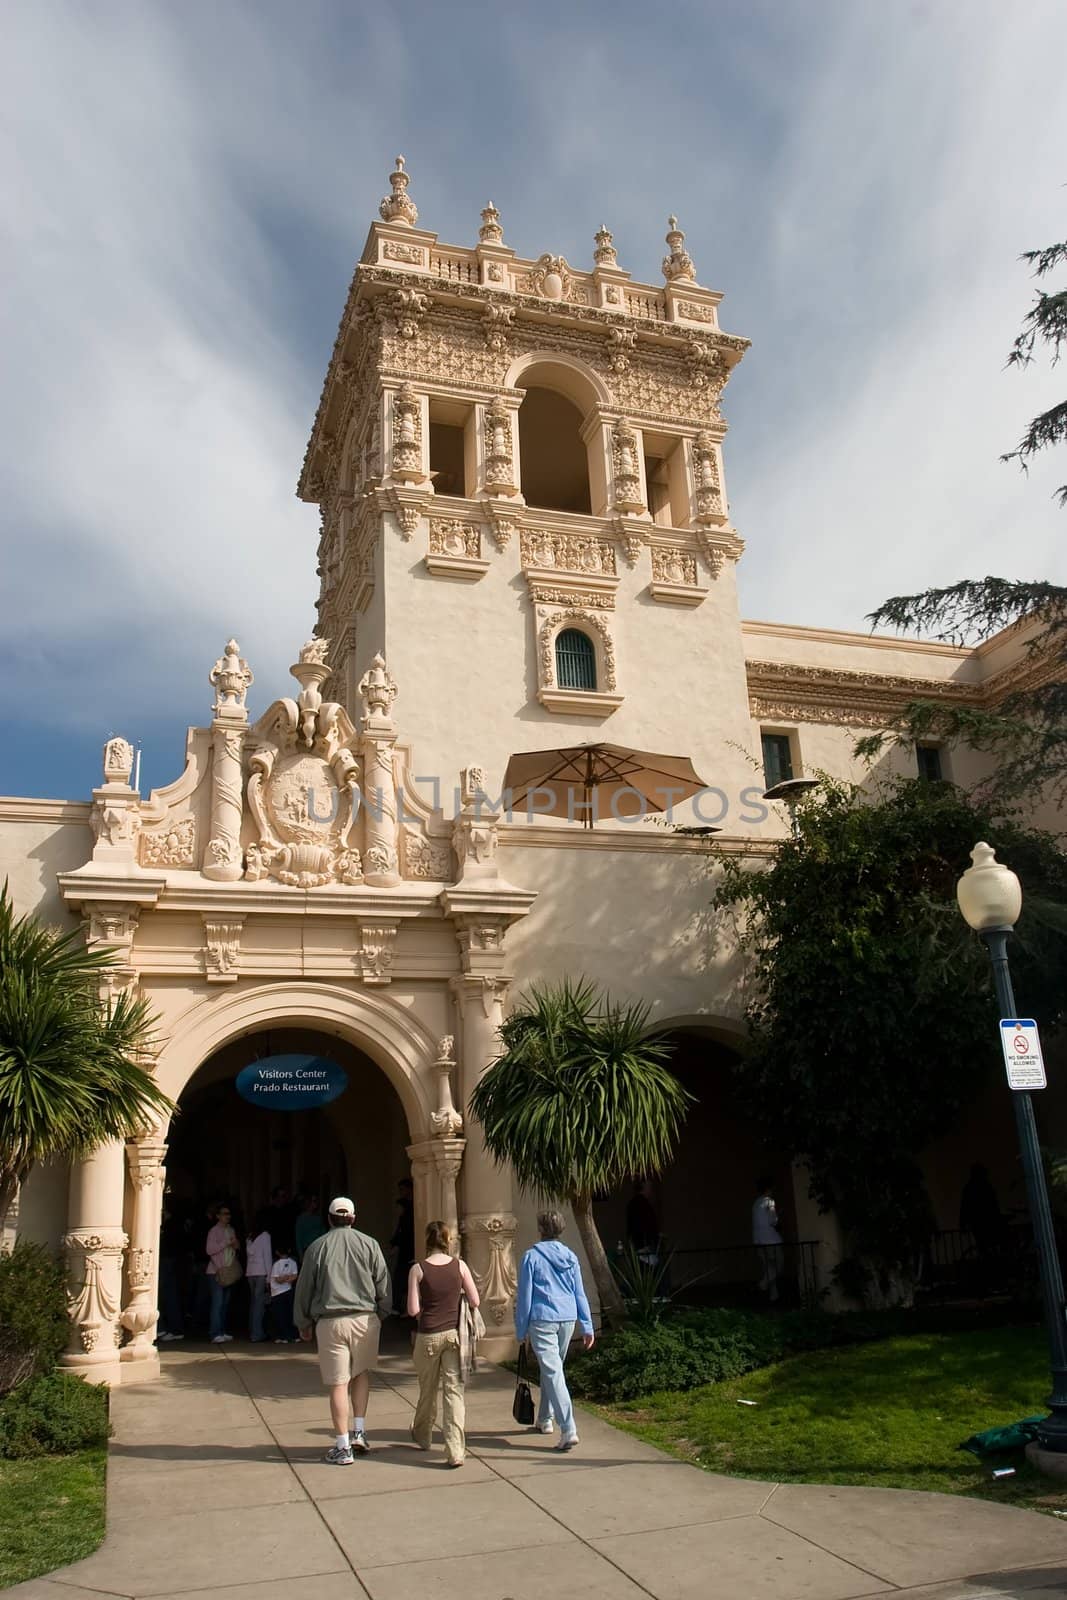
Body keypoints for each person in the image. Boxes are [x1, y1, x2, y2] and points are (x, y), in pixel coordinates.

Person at [294, 1195, 392, 1465]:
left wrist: (302, 1322)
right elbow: (383, 1281)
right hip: (364, 1318)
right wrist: (381, 1312)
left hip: (331, 1321)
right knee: (361, 1374)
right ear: (352, 1218)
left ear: (329, 1219)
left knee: (338, 1383)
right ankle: (359, 1432)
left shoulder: (318, 1247)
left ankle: (342, 1445)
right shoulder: (369, 1244)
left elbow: (305, 1288)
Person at [514, 1210, 594, 1452]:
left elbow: (525, 1297)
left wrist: (520, 1329)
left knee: (553, 1372)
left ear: (541, 1229)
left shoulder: (531, 1257)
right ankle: (545, 1419)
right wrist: (587, 1325)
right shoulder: (570, 1256)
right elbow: (579, 1292)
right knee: (553, 1370)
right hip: (567, 1318)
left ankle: (568, 1428)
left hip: (542, 1319)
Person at [407, 1221, 481, 1469]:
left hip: (428, 1334)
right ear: (448, 1241)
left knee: (427, 1390)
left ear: (427, 1241)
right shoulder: (460, 1266)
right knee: (454, 1392)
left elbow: (413, 1309)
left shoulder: (418, 1269)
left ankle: (423, 1435)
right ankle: (455, 1450)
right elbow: (475, 1299)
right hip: (454, 1335)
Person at [205, 1204, 240, 1343]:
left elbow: (237, 1247)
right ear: (218, 1216)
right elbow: (210, 1250)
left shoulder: (231, 1229)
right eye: (224, 1213)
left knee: (225, 1303)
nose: (227, 1216)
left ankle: (222, 1331)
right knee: (217, 1303)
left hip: (229, 1269)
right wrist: (226, 1242)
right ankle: (214, 1332)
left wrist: (235, 1243)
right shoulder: (213, 1231)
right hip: (216, 1271)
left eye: (229, 1214)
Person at [156, 1197, 186, 1342]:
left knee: (166, 1296)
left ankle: (168, 1328)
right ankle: (171, 1328)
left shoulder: (171, 1226)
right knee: (170, 1296)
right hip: (173, 1262)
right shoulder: (177, 1225)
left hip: (167, 1262)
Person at [752, 1176, 782, 1304]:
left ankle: (774, 1296)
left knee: (768, 1268)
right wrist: (778, 1215)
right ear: (769, 1188)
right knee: (779, 1266)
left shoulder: (756, 1203)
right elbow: (773, 1221)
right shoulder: (769, 1201)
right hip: (771, 1240)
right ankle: (762, 1285)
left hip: (759, 1241)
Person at [246, 1210, 273, 1342]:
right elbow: (267, 1257)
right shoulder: (265, 1236)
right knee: (259, 1305)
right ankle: (257, 1334)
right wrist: (269, 1278)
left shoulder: (250, 1236)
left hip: (250, 1273)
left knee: (254, 1303)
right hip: (261, 1272)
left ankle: (253, 1330)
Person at [390, 1178, 416, 1314]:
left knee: (403, 1278)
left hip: (409, 1249)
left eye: (402, 1189)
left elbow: (404, 1231)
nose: (401, 1192)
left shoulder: (411, 1209)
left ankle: (403, 1308)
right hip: (405, 1249)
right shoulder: (406, 1209)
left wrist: (395, 1244)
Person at [270, 1241, 299, 1342]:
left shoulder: (276, 1264)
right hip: (288, 1289)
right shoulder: (293, 1262)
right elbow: (294, 1276)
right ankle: (293, 1335)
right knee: (289, 1313)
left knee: (279, 1314)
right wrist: (288, 1278)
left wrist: (283, 1278)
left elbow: (277, 1279)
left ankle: (282, 1336)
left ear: (277, 1252)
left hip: (277, 1292)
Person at [625, 1178, 660, 1264]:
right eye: (650, 1186)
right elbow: (643, 1225)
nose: (651, 1189)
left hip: (641, 1247)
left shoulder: (636, 1203)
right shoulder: (641, 1204)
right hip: (643, 1248)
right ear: (644, 1185)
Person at [295, 1194, 327, 1263]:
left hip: (318, 1249)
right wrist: (300, 1255)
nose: (316, 1203)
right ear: (308, 1202)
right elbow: (298, 1238)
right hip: (307, 1250)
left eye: (316, 1201)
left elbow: (324, 1235)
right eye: (314, 1201)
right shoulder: (301, 1218)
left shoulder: (319, 1218)